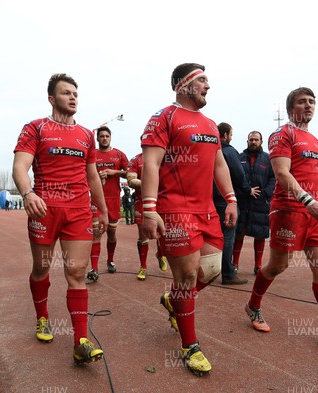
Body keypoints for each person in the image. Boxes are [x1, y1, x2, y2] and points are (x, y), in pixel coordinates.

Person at [244, 87, 318, 356]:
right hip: (289, 209)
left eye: (311, 102)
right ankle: (253, 305)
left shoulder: (315, 140)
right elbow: (281, 172)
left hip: (313, 212)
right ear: (290, 109)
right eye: (302, 102)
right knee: (278, 265)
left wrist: (315, 203)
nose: (308, 106)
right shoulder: (282, 134)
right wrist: (307, 201)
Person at [140, 63, 238, 376]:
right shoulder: (164, 117)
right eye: (203, 80)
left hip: (207, 210)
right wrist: (149, 207)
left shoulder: (210, 124)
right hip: (175, 209)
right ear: (184, 85)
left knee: (209, 271)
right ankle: (190, 345)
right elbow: (151, 164)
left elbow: (219, 165)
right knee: (185, 278)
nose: (209, 85)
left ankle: (173, 301)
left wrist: (231, 199)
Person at [12, 73, 109, 365]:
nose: (73, 97)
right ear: (52, 99)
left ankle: (80, 340)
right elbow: (20, 165)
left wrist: (102, 209)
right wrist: (28, 193)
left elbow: (92, 175)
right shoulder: (36, 128)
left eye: (75, 93)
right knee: (41, 268)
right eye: (66, 93)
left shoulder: (85, 135)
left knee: (76, 273)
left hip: (78, 211)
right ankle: (42, 318)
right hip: (45, 209)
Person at [213, 122, 254, 285]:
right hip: (225, 200)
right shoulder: (230, 151)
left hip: (208, 199)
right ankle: (228, 274)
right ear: (225, 135)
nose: (232, 136)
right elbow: (239, 175)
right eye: (231, 134)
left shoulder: (209, 149)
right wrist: (248, 190)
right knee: (228, 236)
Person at [86, 126, 129, 281]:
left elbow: (131, 172)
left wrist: (114, 172)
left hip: (114, 200)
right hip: (96, 200)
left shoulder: (119, 155)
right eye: (101, 136)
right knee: (96, 233)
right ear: (97, 139)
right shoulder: (92, 155)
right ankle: (94, 269)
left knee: (111, 233)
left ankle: (110, 260)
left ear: (110, 138)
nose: (104, 138)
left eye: (107, 136)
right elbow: (84, 174)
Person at [233, 131, 276, 275]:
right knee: (239, 233)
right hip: (243, 201)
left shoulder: (268, 159)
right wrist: (242, 192)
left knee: (260, 234)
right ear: (247, 141)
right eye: (251, 139)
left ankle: (258, 266)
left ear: (261, 142)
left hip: (260, 203)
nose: (253, 142)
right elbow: (234, 177)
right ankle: (235, 264)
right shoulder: (239, 158)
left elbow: (273, 178)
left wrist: (266, 193)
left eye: (256, 140)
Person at [126, 152, 168, 280]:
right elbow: (131, 181)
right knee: (143, 235)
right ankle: (143, 267)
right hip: (142, 202)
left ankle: (160, 254)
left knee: (164, 233)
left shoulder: (168, 157)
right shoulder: (135, 160)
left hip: (164, 201)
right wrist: (151, 183)